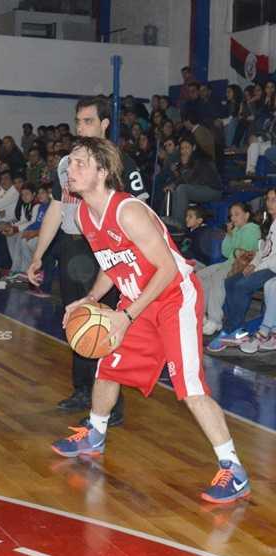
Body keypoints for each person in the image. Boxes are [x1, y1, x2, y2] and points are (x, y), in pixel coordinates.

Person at [51, 137, 251, 505]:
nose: (70, 169)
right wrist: (91, 298)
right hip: (137, 299)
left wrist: (126, 316)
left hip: (174, 297)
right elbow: (111, 264)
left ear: (102, 172)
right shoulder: (83, 214)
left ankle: (234, 470)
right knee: (108, 364)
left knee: (190, 386)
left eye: (80, 163)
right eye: (70, 162)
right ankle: (95, 434)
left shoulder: (127, 212)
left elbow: (167, 270)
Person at [27, 96, 149, 426]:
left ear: (105, 123)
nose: (81, 127)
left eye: (88, 121)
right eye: (78, 121)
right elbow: (56, 209)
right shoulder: (68, 164)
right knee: (78, 320)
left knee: (105, 326)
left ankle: (111, 406)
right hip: (73, 247)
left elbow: (142, 211)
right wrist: (38, 255)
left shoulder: (123, 163)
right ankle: (83, 389)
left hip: (107, 249)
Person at [197, 202, 260, 336]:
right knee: (200, 276)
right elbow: (226, 252)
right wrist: (229, 235)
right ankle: (202, 314)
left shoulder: (252, 229)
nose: (233, 218)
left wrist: (235, 247)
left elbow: (243, 253)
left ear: (247, 215)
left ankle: (215, 319)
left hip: (241, 266)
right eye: (231, 215)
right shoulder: (236, 230)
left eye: (237, 214)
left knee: (217, 278)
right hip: (228, 263)